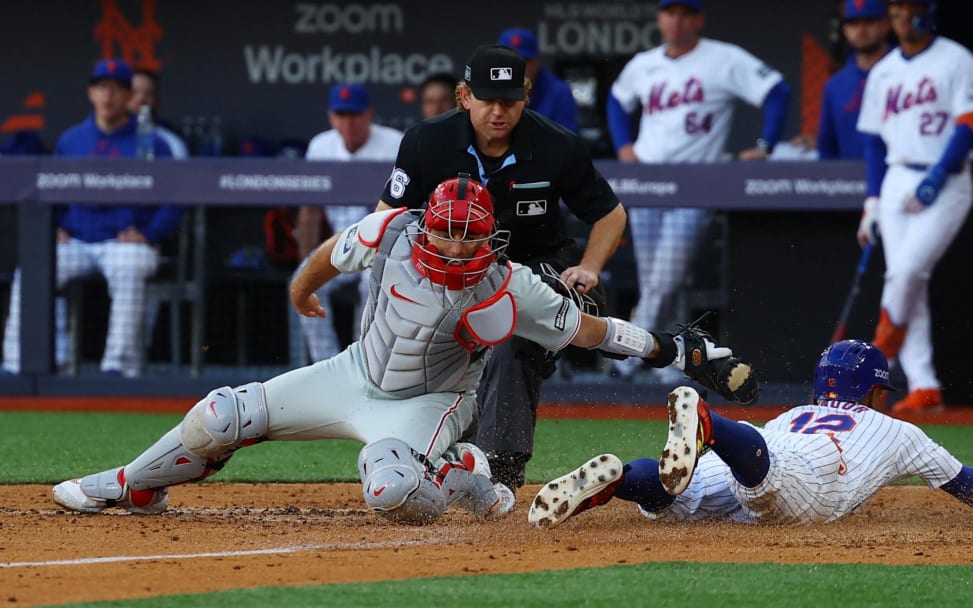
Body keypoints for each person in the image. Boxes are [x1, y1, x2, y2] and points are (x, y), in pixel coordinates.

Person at [51, 175, 753, 526]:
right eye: (445, 231)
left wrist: (675, 349)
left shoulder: (513, 286)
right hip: (352, 371)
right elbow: (333, 250)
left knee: (389, 489)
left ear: (488, 238)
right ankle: (137, 486)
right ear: (427, 225)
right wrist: (302, 288)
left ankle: (469, 475)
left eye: (467, 236)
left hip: (432, 401)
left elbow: (596, 334)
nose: (454, 244)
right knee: (221, 415)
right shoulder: (391, 231)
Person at [373, 44, 628, 488]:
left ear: (526, 95)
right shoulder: (426, 141)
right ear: (464, 96)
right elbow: (387, 218)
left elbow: (610, 215)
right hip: (453, 271)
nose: (498, 111)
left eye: (509, 100)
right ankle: (438, 456)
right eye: (487, 99)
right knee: (434, 351)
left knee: (511, 329)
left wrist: (589, 266)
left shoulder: (557, 144)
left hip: (541, 267)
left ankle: (501, 470)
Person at [529, 339, 973, 528]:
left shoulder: (795, 413)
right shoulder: (899, 429)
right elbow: (968, 482)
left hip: (765, 445)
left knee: (681, 497)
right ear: (874, 391)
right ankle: (709, 423)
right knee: (770, 489)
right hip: (803, 473)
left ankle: (620, 480)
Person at [606, 0, 791, 383]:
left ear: (698, 19)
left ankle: (628, 354)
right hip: (649, 184)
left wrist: (766, 143)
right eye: (670, 12)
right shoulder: (644, 63)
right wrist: (624, 146)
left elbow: (777, 90)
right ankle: (672, 363)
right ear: (659, 18)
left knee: (663, 279)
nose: (676, 21)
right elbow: (616, 101)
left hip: (695, 184)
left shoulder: (723, 58)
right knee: (656, 278)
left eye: (685, 13)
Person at [854, 0, 973, 411]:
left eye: (907, 9)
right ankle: (924, 383)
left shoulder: (956, 58)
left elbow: (972, 126)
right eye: (895, 10)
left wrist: (938, 174)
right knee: (909, 281)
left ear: (926, 13)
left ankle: (874, 363)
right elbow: (874, 142)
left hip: (946, 179)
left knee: (907, 272)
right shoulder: (884, 70)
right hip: (897, 176)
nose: (901, 18)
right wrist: (873, 200)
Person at [2, 58, 178, 378]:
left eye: (116, 89)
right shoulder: (72, 140)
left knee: (129, 265)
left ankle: (118, 367)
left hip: (123, 242)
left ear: (128, 96)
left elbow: (175, 198)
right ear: (91, 94)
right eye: (101, 88)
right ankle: (25, 363)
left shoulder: (152, 142)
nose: (108, 96)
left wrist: (150, 233)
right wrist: (52, 229)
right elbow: (48, 190)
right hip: (78, 241)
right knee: (34, 267)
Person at [294, 83, 403, 362]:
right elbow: (309, 211)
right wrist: (308, 258)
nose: (348, 123)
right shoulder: (321, 145)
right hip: (337, 245)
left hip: (381, 247)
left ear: (369, 114)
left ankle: (363, 361)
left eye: (354, 115)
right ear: (331, 116)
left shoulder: (395, 143)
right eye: (341, 115)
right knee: (301, 279)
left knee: (371, 282)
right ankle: (325, 364)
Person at [817, 0, 893, 160]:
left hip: (900, 177)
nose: (861, 30)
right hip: (850, 181)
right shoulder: (835, 85)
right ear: (844, 29)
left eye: (869, 22)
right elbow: (827, 147)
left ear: (886, 24)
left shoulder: (908, 72)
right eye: (853, 23)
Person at [498, 27, 579, 134]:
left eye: (523, 61)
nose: (515, 67)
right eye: (508, 60)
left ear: (537, 62)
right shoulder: (486, 89)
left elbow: (567, 143)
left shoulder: (559, 92)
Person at [127, 67, 189, 159]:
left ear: (157, 99)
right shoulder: (107, 134)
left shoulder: (171, 141)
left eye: (149, 93)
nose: (141, 99)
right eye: (134, 92)